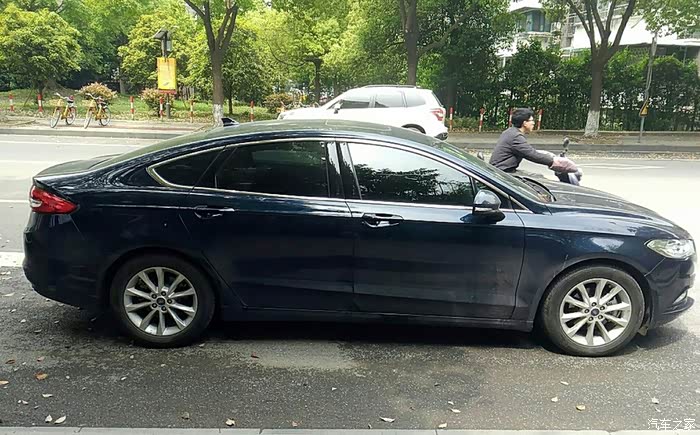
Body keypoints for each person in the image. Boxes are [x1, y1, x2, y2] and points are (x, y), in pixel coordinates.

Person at [489, 108, 553, 173]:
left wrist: (546, 155)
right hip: (502, 172)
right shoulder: (516, 137)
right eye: (531, 120)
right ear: (524, 123)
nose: (533, 123)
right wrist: (553, 161)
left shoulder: (509, 132)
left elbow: (528, 150)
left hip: (500, 170)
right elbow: (531, 154)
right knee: (538, 178)